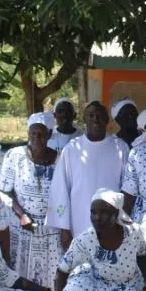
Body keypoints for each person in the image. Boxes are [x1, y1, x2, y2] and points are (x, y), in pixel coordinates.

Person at [45, 102, 129, 248]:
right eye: (91, 116)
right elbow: (61, 189)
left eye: (100, 116)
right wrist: (64, 228)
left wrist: (123, 221)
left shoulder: (120, 147)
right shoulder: (71, 149)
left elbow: (128, 187)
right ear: (84, 119)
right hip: (79, 221)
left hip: (112, 221)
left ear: (107, 119)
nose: (95, 119)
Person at [0, 112, 61, 287]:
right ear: (28, 134)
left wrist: (61, 220)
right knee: (22, 271)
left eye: (41, 133)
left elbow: (64, 194)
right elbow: (5, 191)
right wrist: (22, 215)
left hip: (51, 227)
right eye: (33, 133)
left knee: (51, 274)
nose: (36, 137)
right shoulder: (15, 156)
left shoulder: (61, 158)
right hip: (23, 225)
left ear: (49, 134)